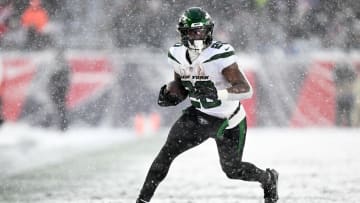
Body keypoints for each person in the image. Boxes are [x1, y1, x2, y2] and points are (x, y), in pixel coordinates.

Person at [136, 7, 279, 203]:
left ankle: (268, 179)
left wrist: (218, 93)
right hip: (199, 116)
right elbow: (182, 86)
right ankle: (142, 200)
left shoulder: (220, 53)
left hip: (229, 121)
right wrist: (173, 95)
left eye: (202, 31)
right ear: (183, 33)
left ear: (209, 30)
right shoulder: (177, 54)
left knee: (232, 170)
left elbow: (246, 89)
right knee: (165, 154)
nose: (198, 35)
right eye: (193, 31)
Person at [48, 49, 71, 131]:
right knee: (60, 109)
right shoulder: (62, 66)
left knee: (60, 109)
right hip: (59, 91)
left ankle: (62, 126)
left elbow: (54, 80)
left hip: (59, 91)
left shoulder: (59, 67)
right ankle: (62, 125)